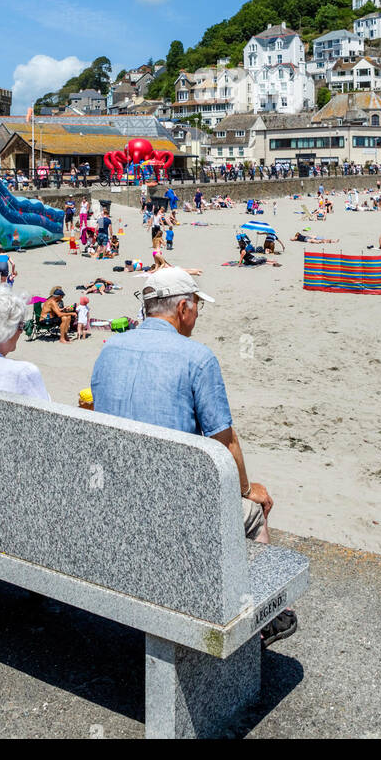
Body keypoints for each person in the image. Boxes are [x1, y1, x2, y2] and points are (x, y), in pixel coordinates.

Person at [90, 267, 297, 650]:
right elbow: (225, 442)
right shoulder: (198, 358)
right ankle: (263, 616)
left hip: (113, 500)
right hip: (171, 512)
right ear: (182, 307)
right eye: (198, 306)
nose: (199, 314)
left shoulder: (109, 349)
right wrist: (249, 489)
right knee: (254, 510)